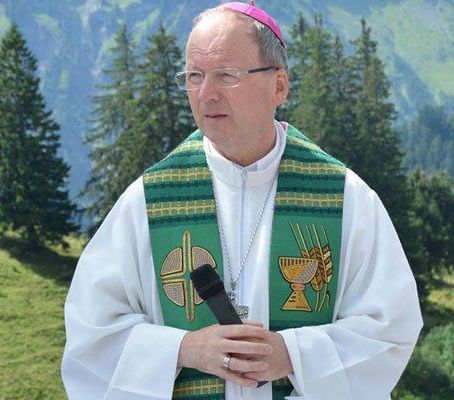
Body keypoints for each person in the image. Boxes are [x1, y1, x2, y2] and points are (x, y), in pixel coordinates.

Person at [61, 1, 423, 399]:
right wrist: (185, 349)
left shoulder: (344, 198)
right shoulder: (150, 200)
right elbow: (91, 337)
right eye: (194, 76)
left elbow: (389, 328)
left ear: (278, 86)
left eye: (227, 75)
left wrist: (293, 354)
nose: (206, 94)